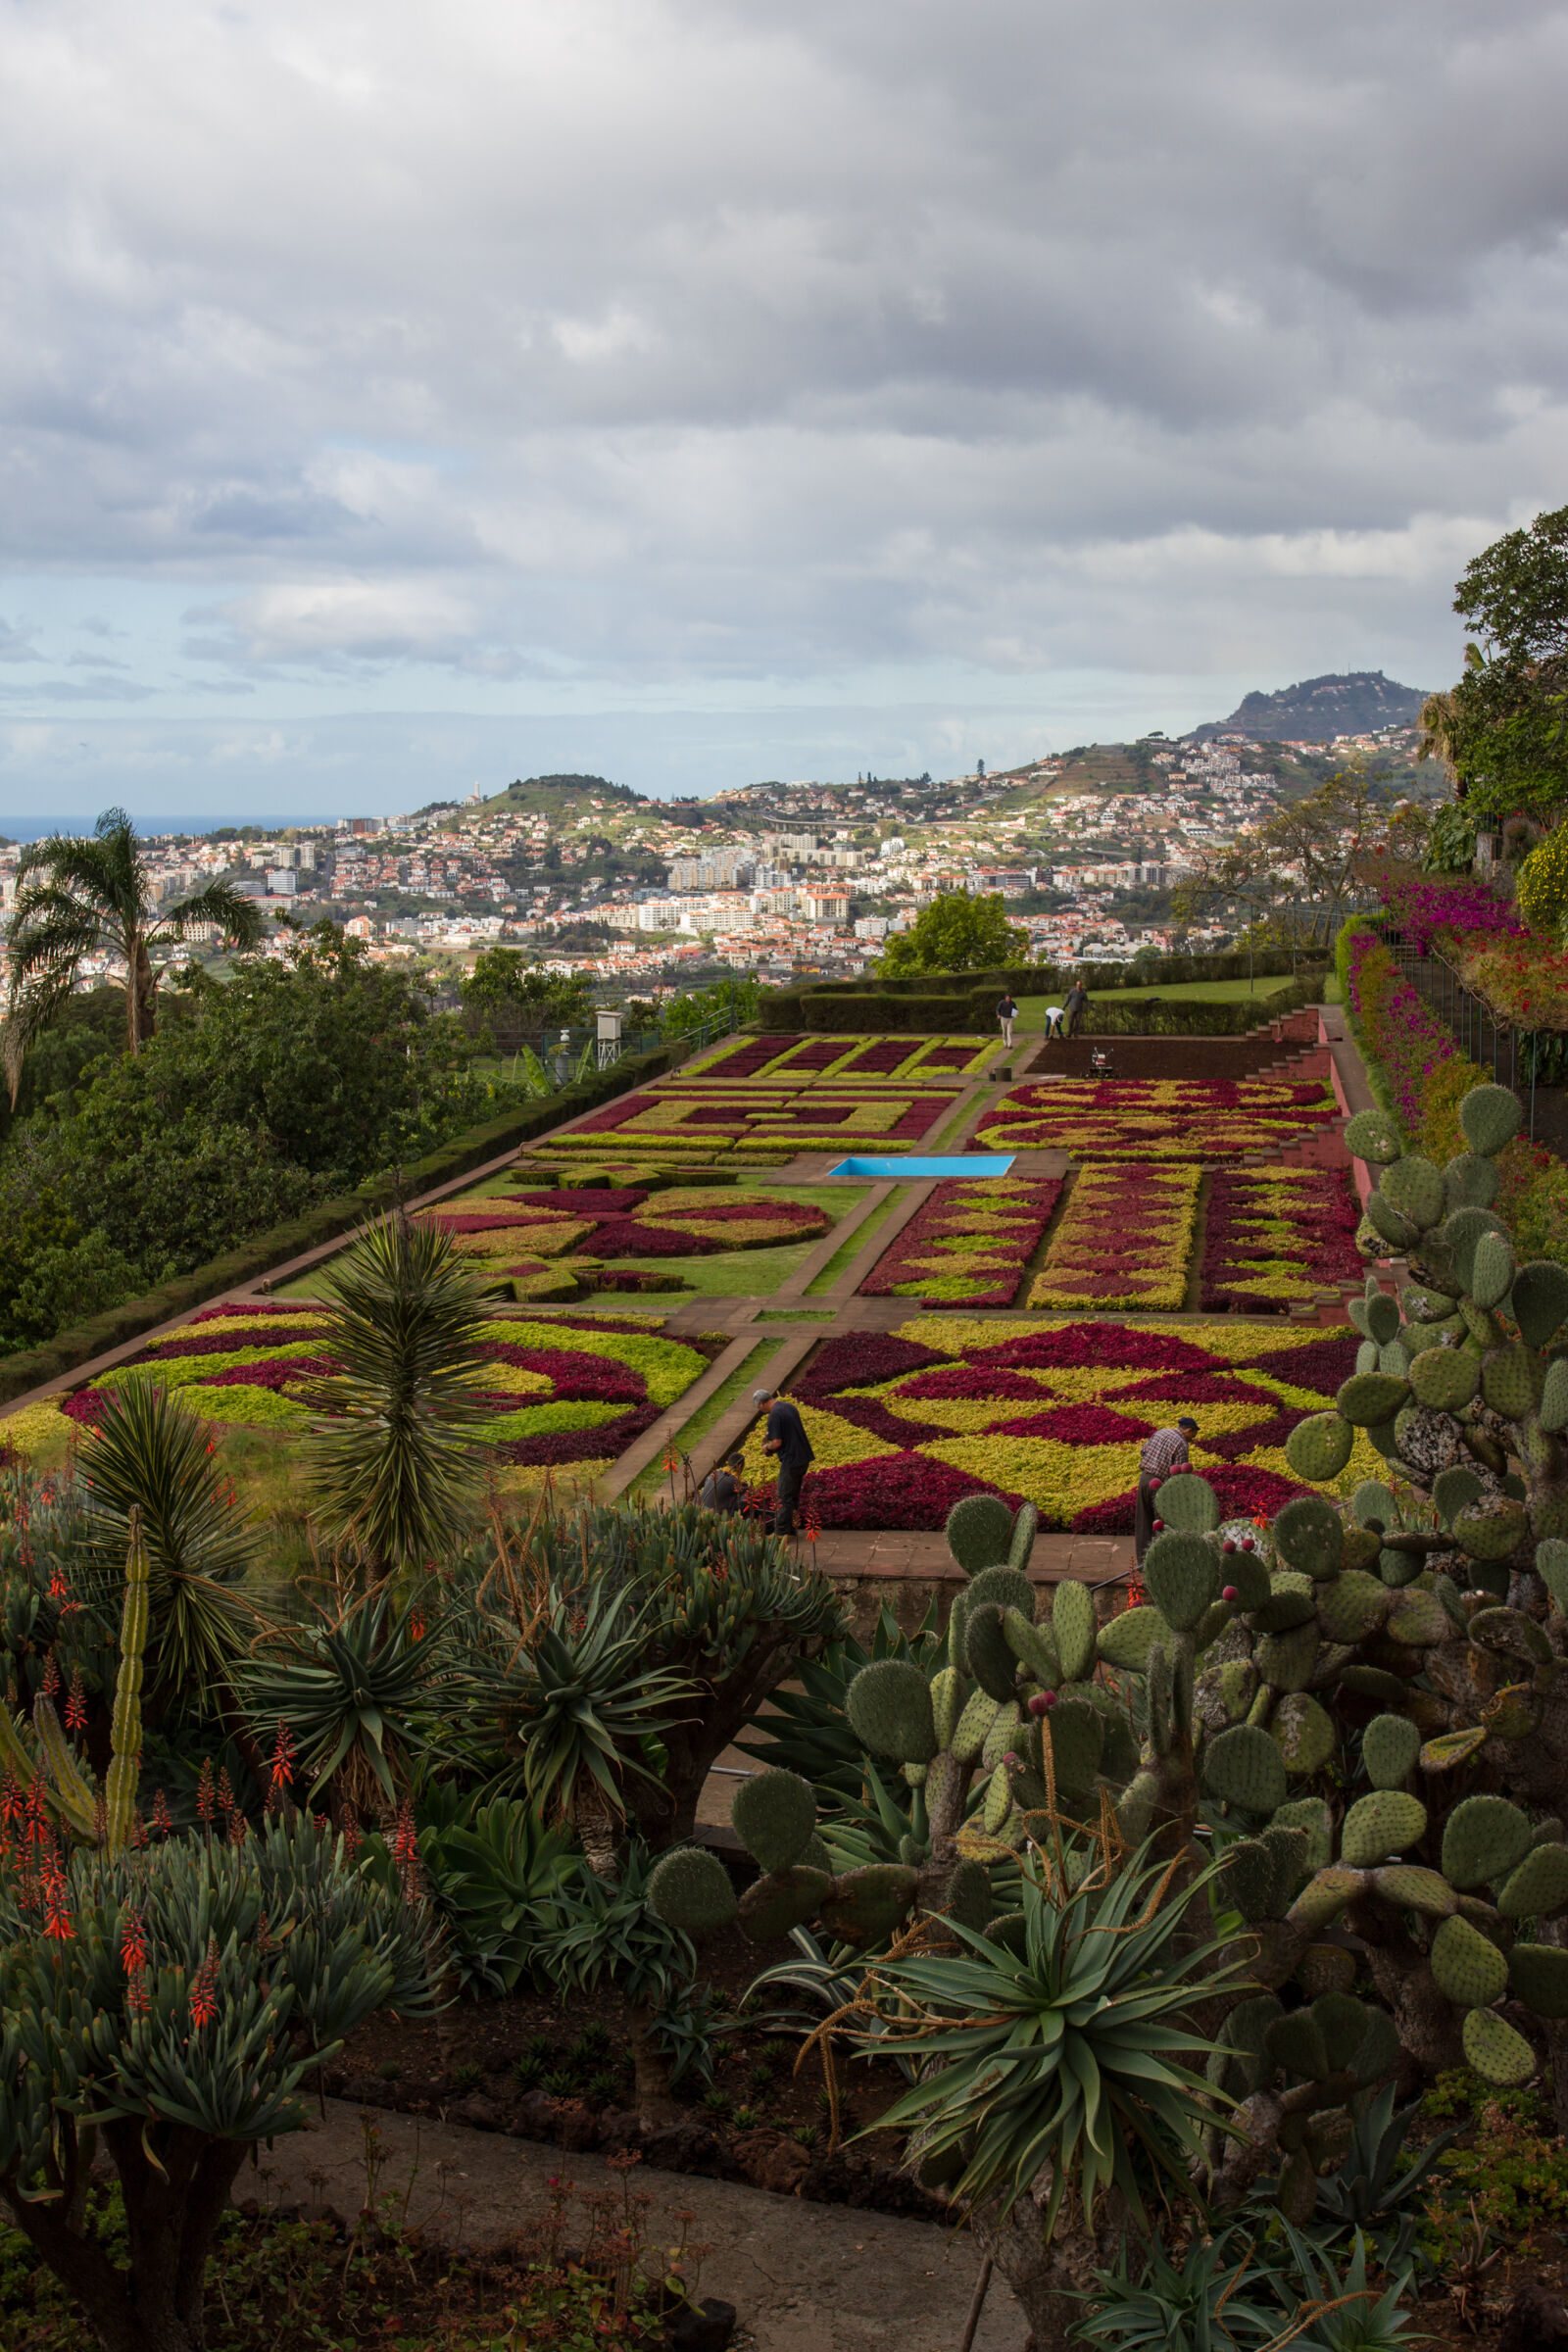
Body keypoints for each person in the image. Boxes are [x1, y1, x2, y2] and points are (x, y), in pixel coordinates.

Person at [1134, 1416, 1199, 1564]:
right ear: (1188, 1430)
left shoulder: (1161, 1432)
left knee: (1143, 1521)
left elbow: (1143, 1451)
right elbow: (1178, 1474)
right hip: (1160, 1486)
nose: (1192, 1440)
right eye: (1192, 1436)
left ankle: (1142, 1562)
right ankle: (1160, 1562)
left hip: (1144, 1478)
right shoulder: (1181, 1444)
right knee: (1161, 1525)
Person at [755, 1385, 814, 1537]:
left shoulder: (774, 1414)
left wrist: (766, 1448)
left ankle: (781, 1533)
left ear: (761, 1404)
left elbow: (777, 1442)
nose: (760, 1410)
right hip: (803, 1457)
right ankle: (791, 1528)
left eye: (759, 1408)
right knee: (793, 1495)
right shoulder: (788, 1407)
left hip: (791, 1459)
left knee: (783, 1496)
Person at [699, 1447, 746, 1515]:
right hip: (713, 1516)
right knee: (745, 1499)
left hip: (698, 1509)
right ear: (740, 1466)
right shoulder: (737, 1481)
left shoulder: (714, 1473)